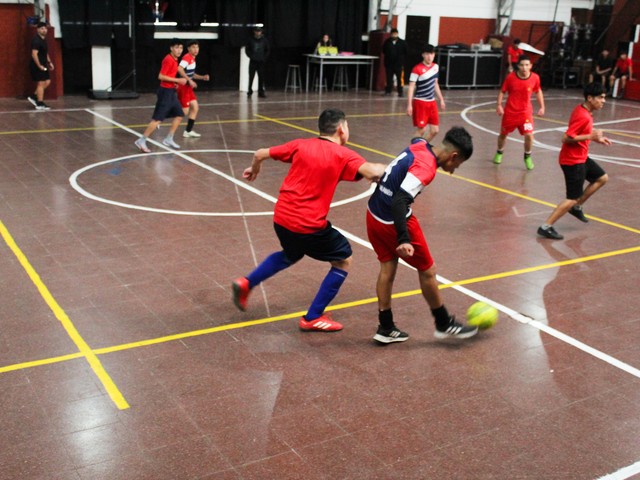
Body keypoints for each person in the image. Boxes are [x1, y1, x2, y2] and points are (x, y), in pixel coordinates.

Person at [232, 109, 387, 332]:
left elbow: (259, 153)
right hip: (307, 224)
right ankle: (312, 317)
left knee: (291, 253)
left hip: (282, 218)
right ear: (341, 129)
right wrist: (395, 167)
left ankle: (246, 283)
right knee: (343, 260)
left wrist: (254, 169)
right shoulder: (344, 155)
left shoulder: (301, 145)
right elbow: (373, 172)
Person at [366, 127, 478, 343]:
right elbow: (400, 201)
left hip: (373, 214)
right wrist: (404, 239)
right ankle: (444, 323)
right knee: (428, 271)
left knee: (388, 267)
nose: (454, 170)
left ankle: (386, 326)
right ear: (453, 156)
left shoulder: (420, 145)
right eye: (457, 165)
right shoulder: (426, 168)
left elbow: (416, 138)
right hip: (393, 221)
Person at [537, 82, 610, 240]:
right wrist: (591, 136)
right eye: (600, 97)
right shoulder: (583, 116)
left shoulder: (584, 110)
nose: (603, 101)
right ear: (590, 98)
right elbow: (566, 138)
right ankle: (546, 226)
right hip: (573, 161)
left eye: (604, 97)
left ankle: (576, 206)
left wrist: (597, 139)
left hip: (581, 157)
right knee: (571, 198)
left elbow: (580, 133)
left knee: (602, 178)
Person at [134, 38, 187, 153]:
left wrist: (174, 84)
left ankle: (169, 139)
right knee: (157, 119)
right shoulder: (168, 59)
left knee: (179, 114)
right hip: (165, 93)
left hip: (171, 92)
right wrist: (177, 80)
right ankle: (141, 140)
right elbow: (161, 76)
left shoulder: (175, 60)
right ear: (171, 48)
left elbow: (168, 76)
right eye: (177, 47)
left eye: (181, 48)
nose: (179, 50)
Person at [493, 54, 545, 170]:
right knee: (503, 135)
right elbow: (502, 91)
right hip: (510, 113)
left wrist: (542, 107)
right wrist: (499, 105)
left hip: (525, 113)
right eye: (522, 65)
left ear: (531, 66)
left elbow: (538, 91)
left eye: (527, 65)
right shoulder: (510, 77)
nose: (524, 68)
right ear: (518, 66)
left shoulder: (535, 78)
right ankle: (499, 152)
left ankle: (527, 156)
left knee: (529, 135)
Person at [406, 44, 445, 142]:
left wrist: (441, 99)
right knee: (422, 130)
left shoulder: (435, 67)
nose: (429, 57)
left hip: (432, 103)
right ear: (423, 55)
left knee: (435, 130)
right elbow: (411, 87)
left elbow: (435, 83)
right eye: (427, 54)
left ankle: (422, 147)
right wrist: (409, 105)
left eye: (431, 54)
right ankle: (412, 149)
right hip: (420, 102)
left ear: (434, 55)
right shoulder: (416, 69)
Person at [177, 40, 210, 138]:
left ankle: (188, 131)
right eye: (193, 47)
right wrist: (189, 81)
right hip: (183, 87)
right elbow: (179, 69)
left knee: (195, 107)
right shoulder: (187, 57)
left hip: (188, 88)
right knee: (184, 112)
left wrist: (202, 77)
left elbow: (192, 74)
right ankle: (160, 119)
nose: (196, 49)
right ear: (188, 49)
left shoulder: (192, 59)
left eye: (197, 47)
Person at [28, 22, 54, 111]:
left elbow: (45, 53)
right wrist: (39, 65)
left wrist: (49, 62)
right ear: (38, 30)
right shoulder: (36, 40)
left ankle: (34, 96)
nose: (44, 30)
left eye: (45, 28)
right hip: (36, 65)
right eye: (42, 28)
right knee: (41, 83)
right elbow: (34, 54)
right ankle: (39, 103)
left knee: (47, 81)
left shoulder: (44, 40)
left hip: (44, 64)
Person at [245, 27, 270, 98]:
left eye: (259, 31)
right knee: (251, 77)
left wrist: (264, 58)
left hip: (261, 62)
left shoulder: (264, 40)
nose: (258, 32)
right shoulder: (250, 40)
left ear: (261, 32)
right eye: (256, 31)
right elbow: (247, 49)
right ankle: (249, 91)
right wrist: (251, 56)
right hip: (253, 61)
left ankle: (261, 92)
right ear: (254, 32)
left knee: (261, 77)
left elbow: (267, 50)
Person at [382, 28, 408, 97]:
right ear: (391, 34)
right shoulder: (387, 42)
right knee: (389, 78)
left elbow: (406, 52)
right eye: (393, 34)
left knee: (399, 79)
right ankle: (388, 91)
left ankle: (400, 92)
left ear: (397, 34)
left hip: (398, 64)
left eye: (395, 34)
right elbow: (384, 51)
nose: (394, 35)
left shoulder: (402, 42)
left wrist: (401, 61)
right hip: (389, 64)